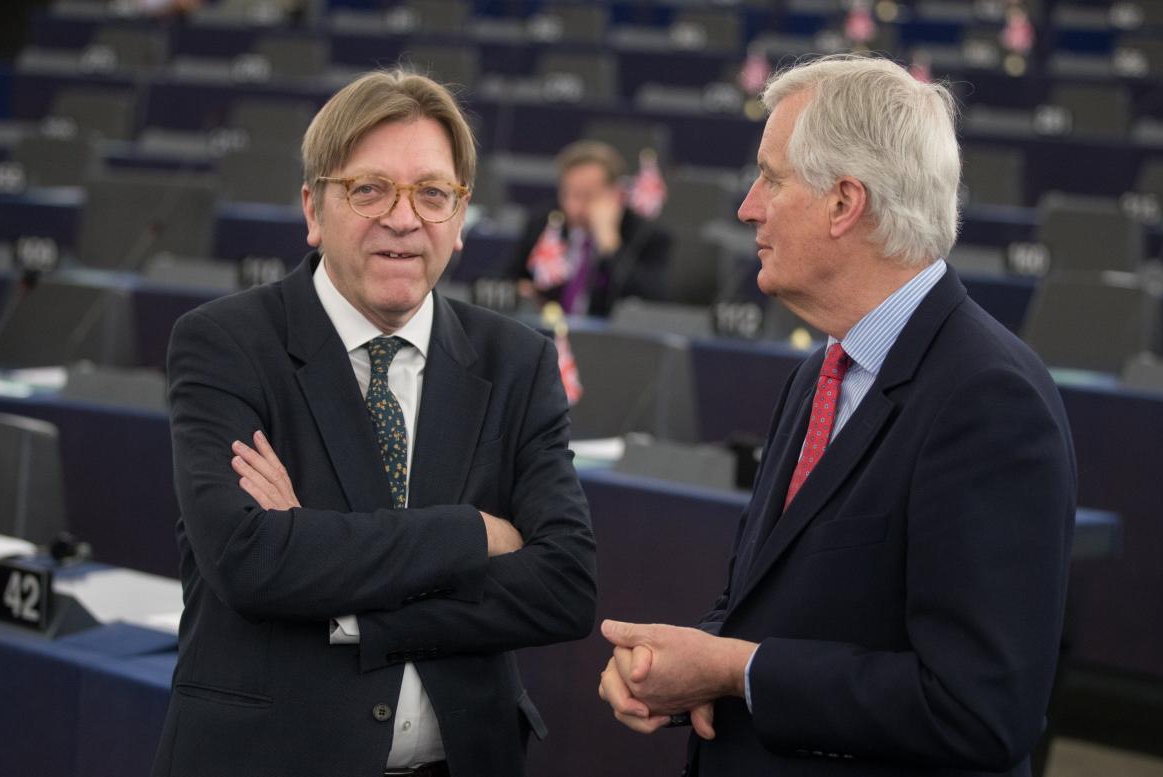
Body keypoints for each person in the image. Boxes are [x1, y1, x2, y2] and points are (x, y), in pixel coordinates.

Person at [597, 53, 1075, 776]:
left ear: (844, 203)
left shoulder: (989, 399)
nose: (747, 206)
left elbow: (980, 708)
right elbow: (771, 607)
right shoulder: (819, 370)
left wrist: (735, 669)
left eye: (772, 177)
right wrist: (680, 669)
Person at [153, 69, 597, 777]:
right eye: (369, 188)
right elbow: (249, 558)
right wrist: (474, 532)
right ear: (312, 207)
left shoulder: (519, 362)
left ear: (459, 218)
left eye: (431, 192)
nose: (403, 216)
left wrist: (337, 584)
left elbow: (566, 586)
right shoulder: (225, 343)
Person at [509, 139, 671, 317]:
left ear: (616, 194)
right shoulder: (545, 223)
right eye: (567, 193)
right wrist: (520, 290)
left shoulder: (647, 235)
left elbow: (652, 301)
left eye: (586, 196)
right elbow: (504, 278)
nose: (573, 206)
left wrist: (610, 244)